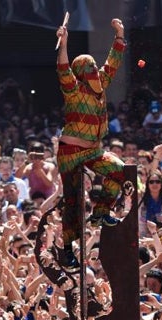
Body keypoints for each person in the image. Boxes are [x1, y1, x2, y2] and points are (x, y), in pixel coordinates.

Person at [55, 18, 127, 268]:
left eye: (95, 67)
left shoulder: (101, 87)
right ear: (81, 73)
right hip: (70, 153)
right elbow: (63, 69)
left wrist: (119, 35)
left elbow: (113, 64)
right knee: (73, 198)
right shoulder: (73, 90)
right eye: (90, 69)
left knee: (119, 170)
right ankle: (67, 250)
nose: (96, 72)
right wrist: (63, 44)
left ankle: (101, 212)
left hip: (93, 151)